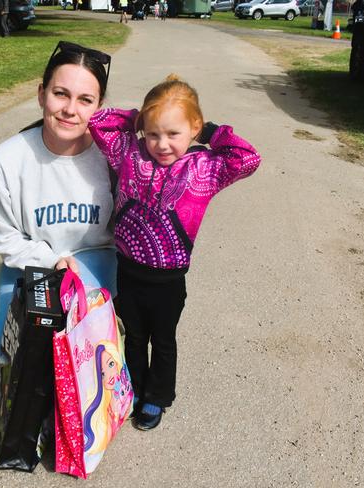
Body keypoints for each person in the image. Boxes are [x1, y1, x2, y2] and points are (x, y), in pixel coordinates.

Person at [88, 74, 261, 430]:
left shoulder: (205, 168)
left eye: (173, 134)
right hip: (128, 271)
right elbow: (99, 124)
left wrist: (211, 133)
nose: (161, 144)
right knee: (134, 336)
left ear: (193, 128)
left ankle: (158, 396)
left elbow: (248, 158)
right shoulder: (130, 155)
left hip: (168, 280)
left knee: (162, 340)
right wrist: (138, 117)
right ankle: (134, 388)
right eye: (152, 133)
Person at [0, 41, 116, 358]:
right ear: (42, 93)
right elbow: (4, 236)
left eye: (86, 100)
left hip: (96, 262)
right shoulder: (8, 159)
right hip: (32, 265)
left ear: (99, 107)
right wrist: (49, 260)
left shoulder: (114, 157)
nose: (71, 109)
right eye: (61, 94)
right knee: (11, 356)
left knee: (96, 360)